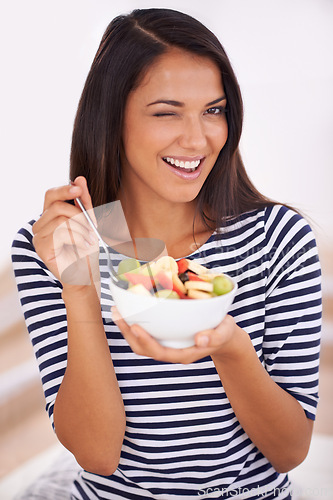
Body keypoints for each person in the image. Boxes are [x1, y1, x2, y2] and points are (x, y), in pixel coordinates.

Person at [11, 8, 322, 500]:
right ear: (112, 118)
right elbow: (98, 454)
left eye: (214, 110)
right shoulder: (57, 239)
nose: (198, 139)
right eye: (166, 112)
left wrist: (229, 347)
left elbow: (288, 451)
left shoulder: (277, 239)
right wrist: (78, 280)